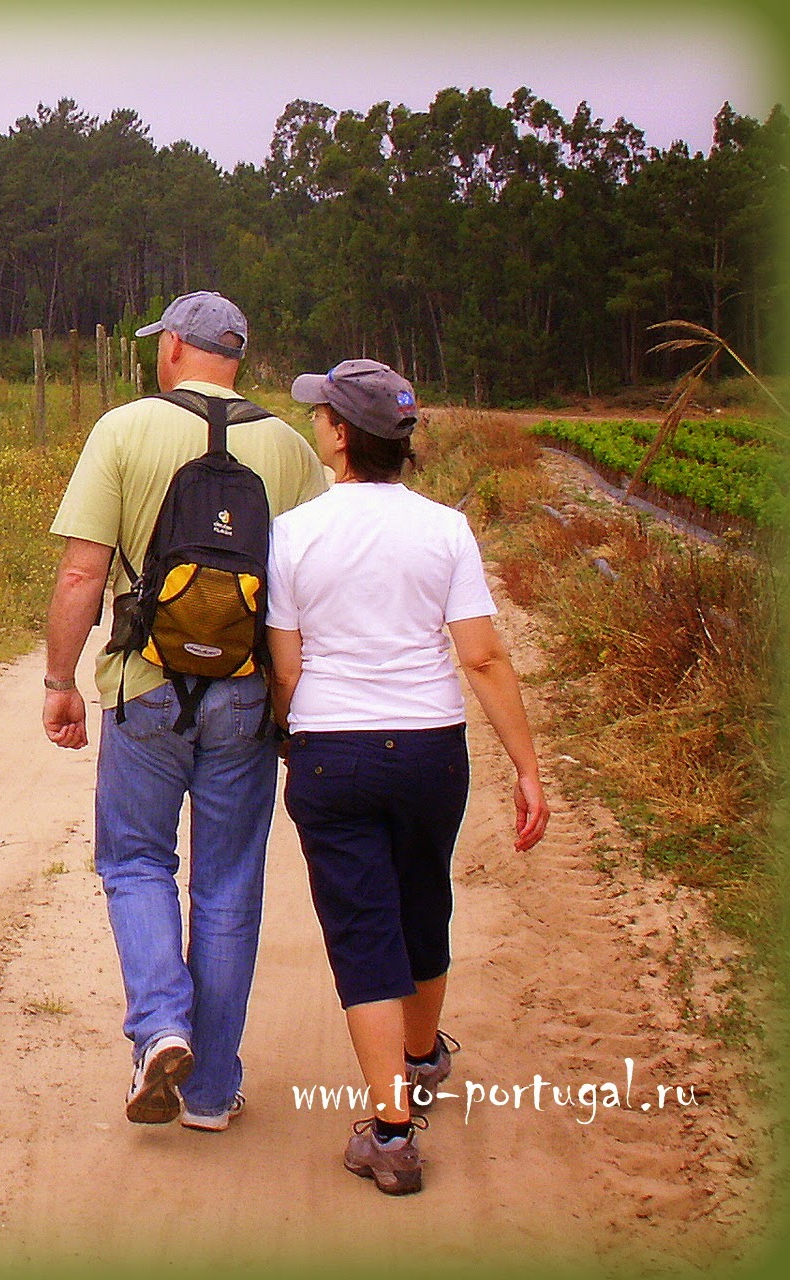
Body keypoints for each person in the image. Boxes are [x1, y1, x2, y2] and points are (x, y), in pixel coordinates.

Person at [44, 291, 329, 1131]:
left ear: (172, 348)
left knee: (135, 862)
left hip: (144, 684)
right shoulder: (287, 449)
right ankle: (209, 1094)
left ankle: (161, 1025)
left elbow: (79, 576)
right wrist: (296, 708)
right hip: (244, 692)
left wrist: (61, 680)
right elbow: (306, 596)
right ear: (236, 356)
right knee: (229, 884)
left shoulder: (124, 431)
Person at [266, 358, 550, 1194]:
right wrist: (529, 770)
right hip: (431, 748)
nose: (315, 423)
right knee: (424, 896)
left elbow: (286, 667)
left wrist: (293, 740)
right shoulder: (446, 529)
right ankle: (423, 1057)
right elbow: (485, 657)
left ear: (343, 435)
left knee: (362, 926)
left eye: (322, 415)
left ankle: (391, 1134)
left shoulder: (295, 531)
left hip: (335, 748)